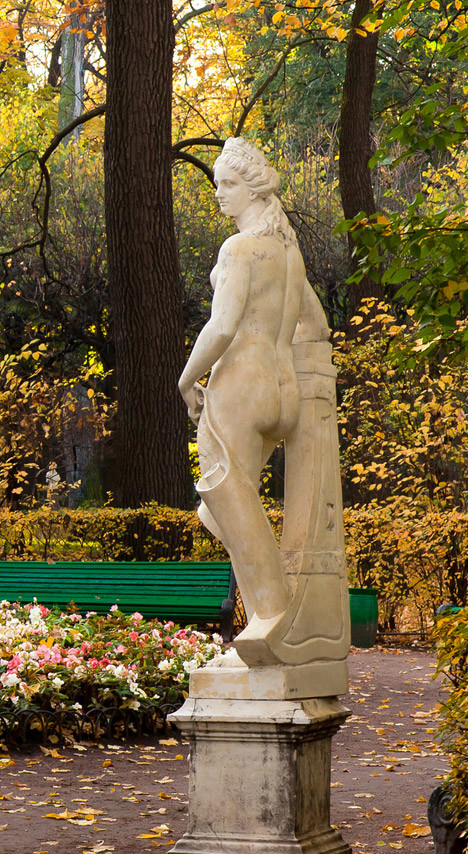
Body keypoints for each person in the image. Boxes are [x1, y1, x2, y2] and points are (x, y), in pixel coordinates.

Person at [177, 137, 322, 639]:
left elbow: (220, 328)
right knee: (224, 507)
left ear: (255, 189)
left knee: (228, 503)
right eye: (216, 184)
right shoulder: (287, 250)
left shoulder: (240, 249)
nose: (219, 193)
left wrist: (186, 378)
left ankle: (272, 620)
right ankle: (271, 622)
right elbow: (318, 326)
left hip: (240, 387)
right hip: (283, 393)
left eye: (229, 184)